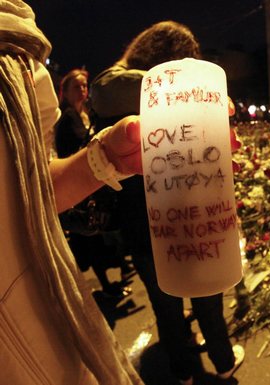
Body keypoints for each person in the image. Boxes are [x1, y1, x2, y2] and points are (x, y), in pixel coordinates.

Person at [90, 20, 244, 385]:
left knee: (169, 305)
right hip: (163, 219)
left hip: (152, 221)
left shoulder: (123, 88)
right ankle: (219, 363)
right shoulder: (119, 84)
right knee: (202, 299)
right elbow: (103, 89)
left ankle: (184, 369)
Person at [0, 1, 142, 383]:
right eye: (76, 85)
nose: (82, 88)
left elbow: (30, 189)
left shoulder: (13, 46)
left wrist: (107, 156)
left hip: (52, 317)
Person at [55, 68, 135, 300]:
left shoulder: (87, 115)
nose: (82, 90)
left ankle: (112, 280)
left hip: (94, 183)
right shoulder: (67, 118)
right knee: (92, 241)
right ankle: (106, 286)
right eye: (76, 87)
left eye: (84, 85)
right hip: (79, 190)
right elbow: (67, 155)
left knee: (100, 239)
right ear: (65, 92)